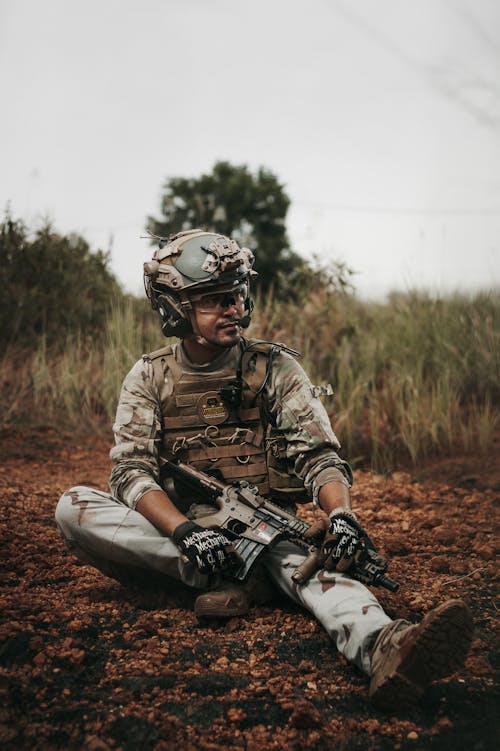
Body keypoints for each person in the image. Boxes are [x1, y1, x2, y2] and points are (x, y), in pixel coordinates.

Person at [55, 229, 473, 710]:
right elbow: (130, 471)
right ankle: (228, 575)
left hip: (265, 528)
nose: (232, 308)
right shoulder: (149, 376)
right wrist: (187, 531)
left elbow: (318, 456)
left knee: (318, 569)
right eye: (213, 300)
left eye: (235, 296)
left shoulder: (275, 368)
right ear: (176, 310)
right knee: (74, 507)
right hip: (183, 528)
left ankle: (383, 646)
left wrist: (342, 517)